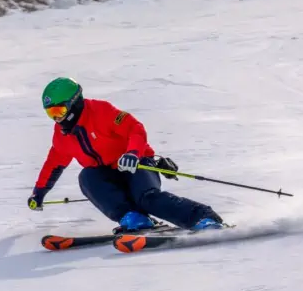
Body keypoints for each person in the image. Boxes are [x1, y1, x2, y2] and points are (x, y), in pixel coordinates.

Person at [28, 77, 225, 232]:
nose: (57, 118)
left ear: (74, 103)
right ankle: (135, 219)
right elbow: (54, 163)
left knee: (147, 198)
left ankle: (203, 217)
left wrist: (132, 153)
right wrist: (39, 193)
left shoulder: (101, 111)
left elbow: (135, 129)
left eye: (59, 110)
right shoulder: (62, 135)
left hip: (136, 164)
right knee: (87, 177)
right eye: (51, 113)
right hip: (108, 175)